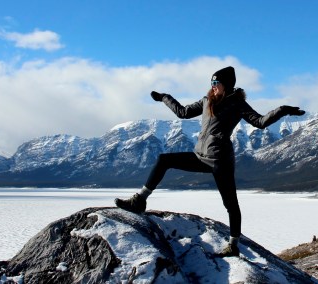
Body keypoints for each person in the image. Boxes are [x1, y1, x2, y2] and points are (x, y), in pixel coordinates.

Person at [115, 66, 305, 257]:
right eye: (211, 83)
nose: (213, 87)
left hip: (220, 161)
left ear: (227, 85)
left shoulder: (237, 104)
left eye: (216, 83)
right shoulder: (206, 101)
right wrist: (165, 97)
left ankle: (233, 245)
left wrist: (282, 110)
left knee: (230, 204)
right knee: (164, 160)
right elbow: (183, 112)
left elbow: (260, 122)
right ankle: (139, 200)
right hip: (199, 156)